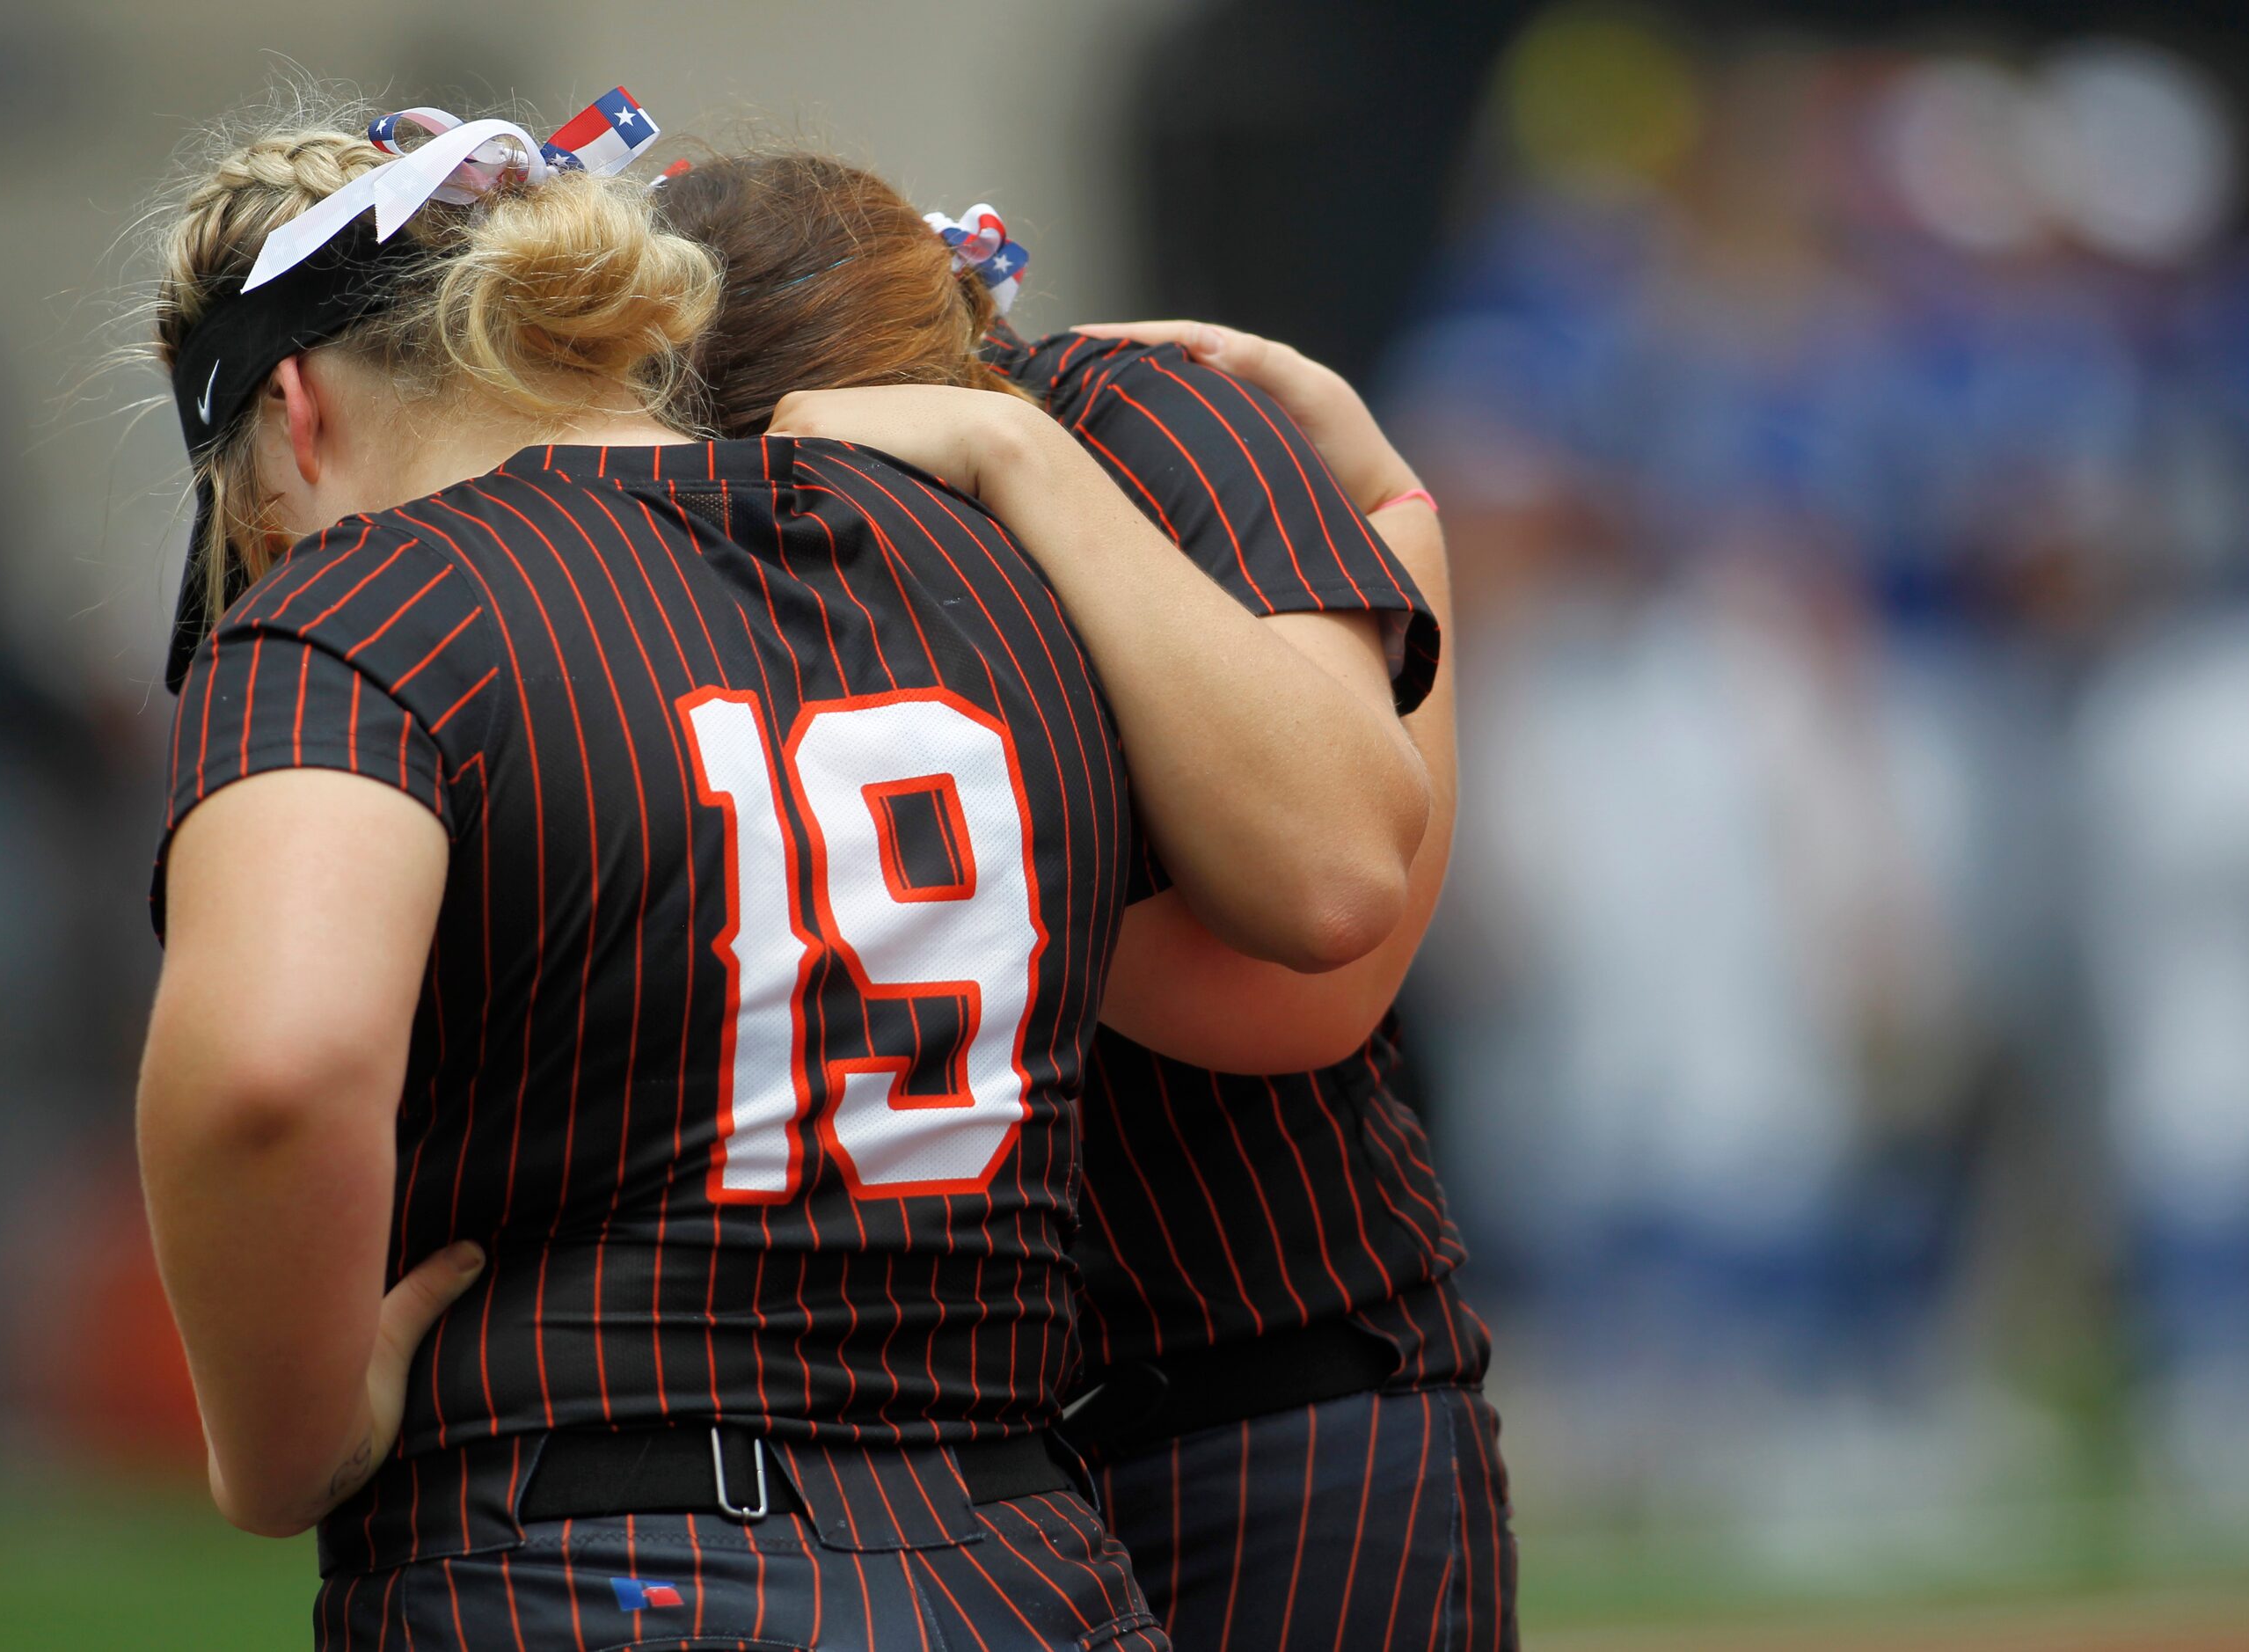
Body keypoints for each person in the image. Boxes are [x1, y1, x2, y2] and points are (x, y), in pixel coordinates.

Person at [131, 93, 1431, 1649]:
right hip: (1029, 1557)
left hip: (581, 1553)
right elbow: (1335, 888)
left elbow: (271, 1069)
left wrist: (286, 1447)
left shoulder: (360, 609)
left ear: (293, 411)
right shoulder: (974, 546)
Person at [659, 152, 1513, 1650]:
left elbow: (1323, 941)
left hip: (1252, 1383)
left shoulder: (1132, 418)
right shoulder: (621, 530)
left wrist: (1036, 470)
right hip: (882, 1467)